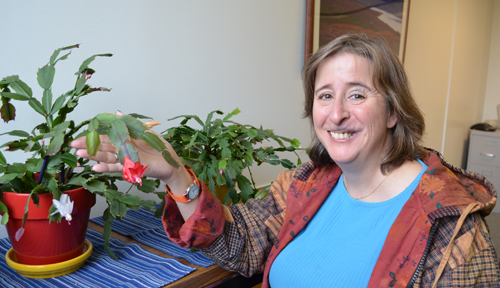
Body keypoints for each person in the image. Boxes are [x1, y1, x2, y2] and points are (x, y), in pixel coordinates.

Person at [71, 34, 500, 287]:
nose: (336, 113)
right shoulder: (306, 183)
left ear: (392, 111)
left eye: (357, 94)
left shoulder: (453, 228)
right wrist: (175, 171)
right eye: (324, 95)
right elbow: (239, 244)